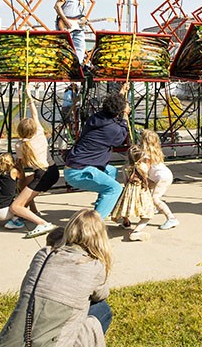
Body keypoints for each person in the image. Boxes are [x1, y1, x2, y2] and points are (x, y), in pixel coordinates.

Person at [0, 209, 113, 346]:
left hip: (7, 343)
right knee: (101, 308)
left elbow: (26, 289)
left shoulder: (44, 254)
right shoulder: (95, 266)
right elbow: (101, 295)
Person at [63, 84, 129, 220]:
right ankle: (96, 222)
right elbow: (121, 136)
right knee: (115, 189)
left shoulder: (96, 118)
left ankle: (103, 205)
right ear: (119, 112)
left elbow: (114, 109)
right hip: (80, 172)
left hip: (76, 165)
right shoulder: (112, 130)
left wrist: (121, 93)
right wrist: (125, 115)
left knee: (111, 171)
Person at [9, 87, 59, 239]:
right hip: (52, 170)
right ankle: (34, 212)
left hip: (42, 174)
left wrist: (19, 179)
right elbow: (35, 113)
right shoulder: (39, 133)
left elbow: (20, 166)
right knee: (25, 186)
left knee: (15, 206)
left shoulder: (19, 145)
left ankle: (42, 223)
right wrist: (29, 95)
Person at [110, 146, 156, 241]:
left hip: (129, 189)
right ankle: (136, 231)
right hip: (141, 191)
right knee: (147, 213)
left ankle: (126, 222)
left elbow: (125, 181)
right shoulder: (144, 166)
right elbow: (147, 179)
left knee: (125, 207)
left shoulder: (126, 167)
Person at [139, 129, 179, 229]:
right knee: (147, 188)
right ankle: (154, 207)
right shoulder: (155, 151)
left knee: (155, 198)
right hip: (162, 176)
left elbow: (146, 170)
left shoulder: (146, 155)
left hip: (162, 178)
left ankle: (171, 218)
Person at [0, 153, 26, 231]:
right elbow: (22, 177)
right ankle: (14, 220)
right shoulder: (13, 171)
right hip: (5, 212)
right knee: (19, 201)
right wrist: (19, 166)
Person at [54, 0, 93, 64]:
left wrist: (84, 21)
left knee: (80, 45)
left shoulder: (84, 2)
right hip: (65, 24)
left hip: (77, 27)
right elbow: (57, 6)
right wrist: (65, 20)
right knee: (65, 46)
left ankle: (78, 64)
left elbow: (81, 17)